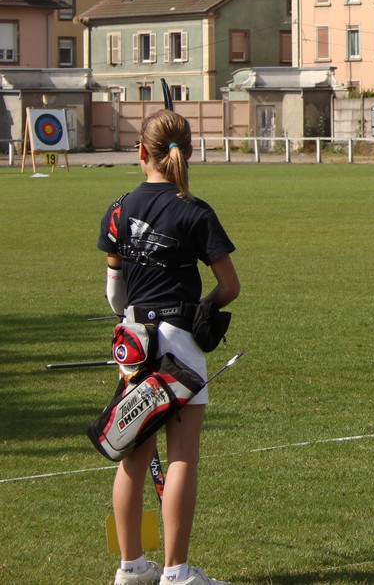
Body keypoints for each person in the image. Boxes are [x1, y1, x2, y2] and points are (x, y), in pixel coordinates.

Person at [99, 110, 240, 585]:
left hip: (133, 346)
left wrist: (130, 312)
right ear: (189, 153)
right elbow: (230, 286)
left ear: (141, 152)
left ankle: (131, 568)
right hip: (180, 343)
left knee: (132, 459)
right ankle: (176, 574)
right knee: (182, 456)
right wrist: (207, 308)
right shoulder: (194, 211)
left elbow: (115, 294)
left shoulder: (118, 209)